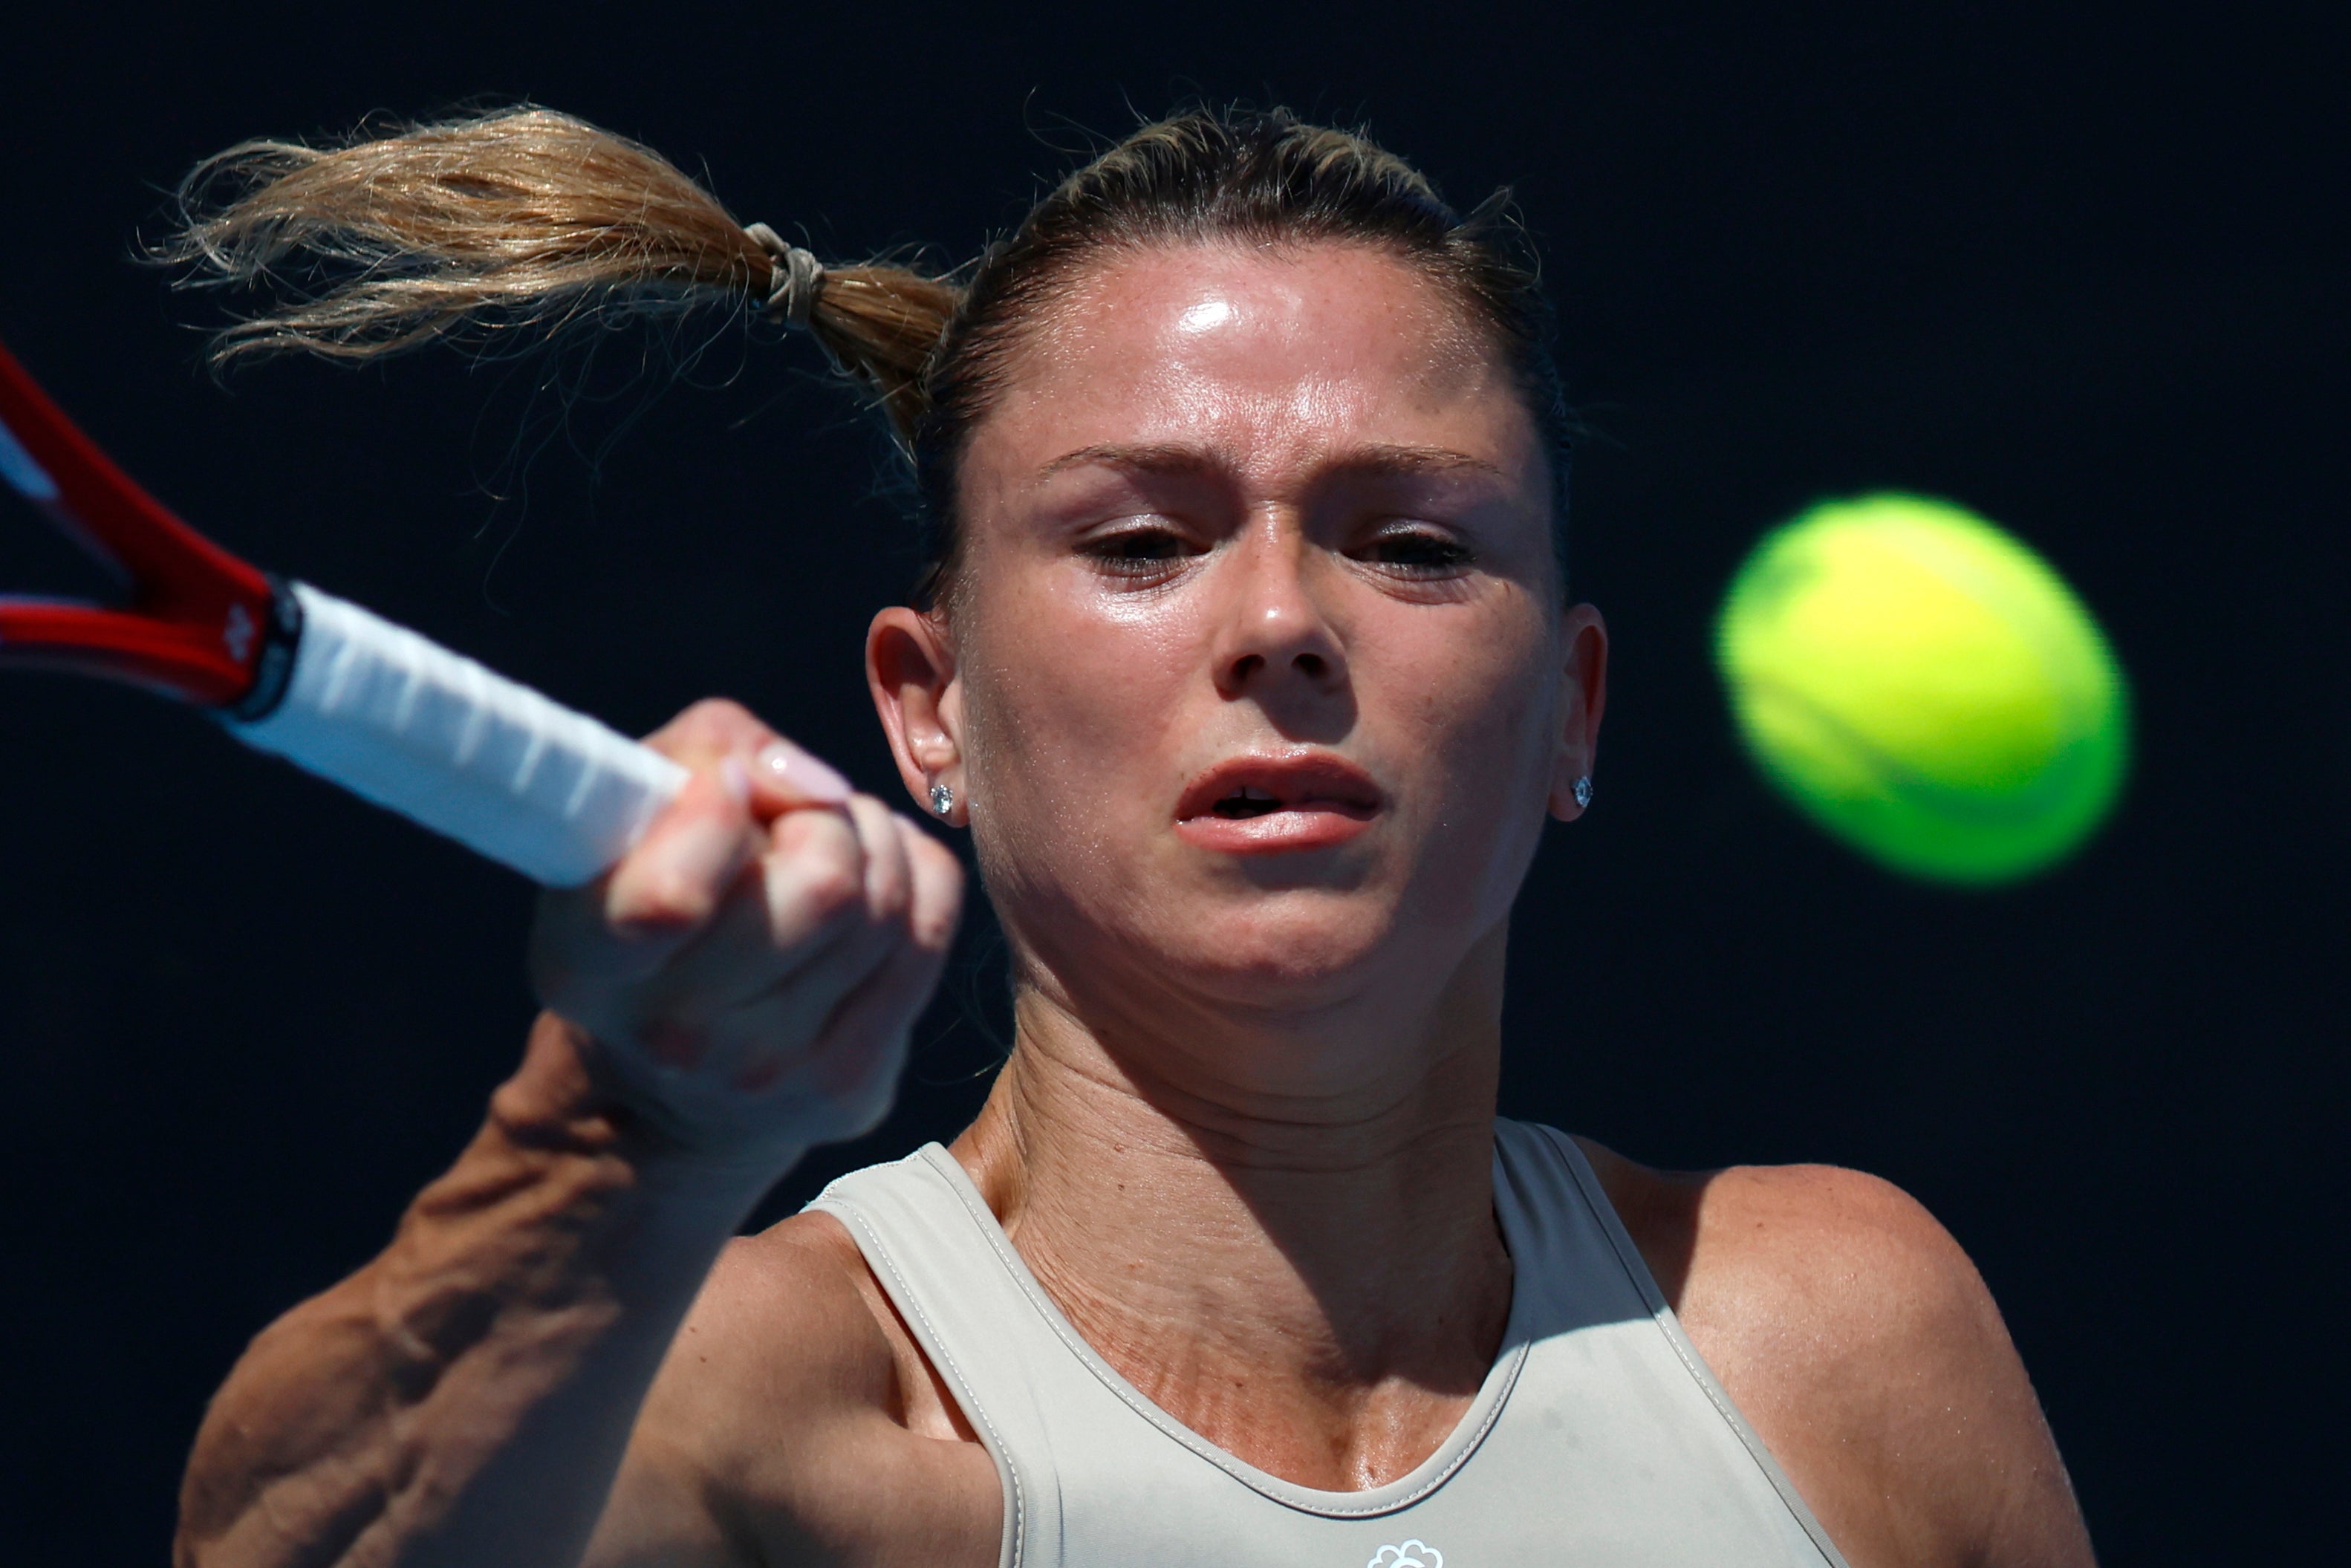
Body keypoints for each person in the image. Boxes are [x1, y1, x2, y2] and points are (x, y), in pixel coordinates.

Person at [166, 106, 2096, 1568]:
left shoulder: (1845, 1333)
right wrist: (618, 1142)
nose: (1282, 625)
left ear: (1572, 714)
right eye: (1144, 543)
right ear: (932, 708)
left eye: (1413, 541)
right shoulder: (753, 1397)